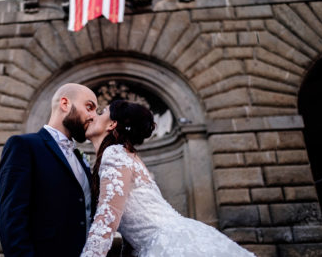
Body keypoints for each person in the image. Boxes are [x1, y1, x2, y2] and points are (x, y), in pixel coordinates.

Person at [81, 100, 256, 257]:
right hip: (172, 238)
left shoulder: (115, 153)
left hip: (167, 243)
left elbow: (108, 217)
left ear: (112, 124)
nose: (94, 116)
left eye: (102, 112)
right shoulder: (126, 155)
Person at [0, 83, 98, 257]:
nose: (93, 117)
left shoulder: (81, 159)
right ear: (65, 104)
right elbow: (12, 218)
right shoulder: (25, 146)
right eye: (89, 107)